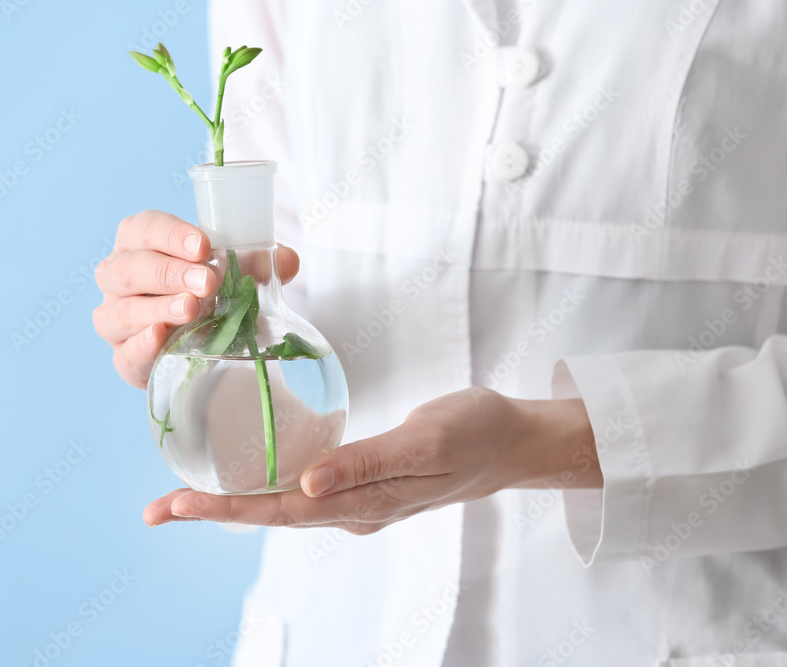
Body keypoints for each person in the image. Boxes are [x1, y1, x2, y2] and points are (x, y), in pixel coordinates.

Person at [94, 1, 787, 664]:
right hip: (331, 629)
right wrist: (191, 347)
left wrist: (538, 445)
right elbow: (278, 281)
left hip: (684, 626)